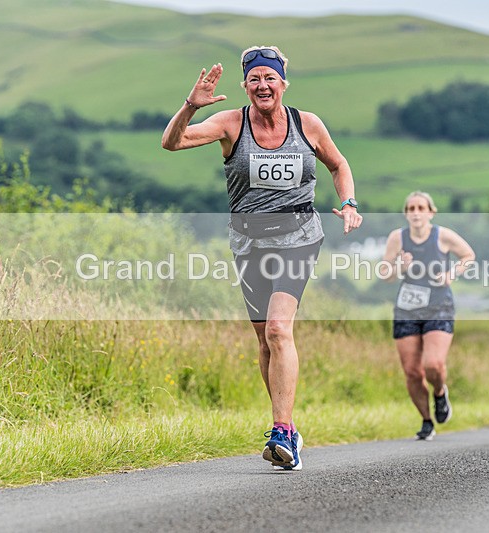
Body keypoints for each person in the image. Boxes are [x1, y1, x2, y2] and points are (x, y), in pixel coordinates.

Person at [161, 46, 363, 470]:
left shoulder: (307, 125)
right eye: (254, 79)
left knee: (277, 328)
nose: (263, 85)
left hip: (299, 236)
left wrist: (348, 202)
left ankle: (282, 429)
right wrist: (189, 107)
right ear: (245, 85)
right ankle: (287, 426)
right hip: (249, 242)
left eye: (270, 78)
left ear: (283, 83)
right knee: (263, 339)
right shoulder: (231, 123)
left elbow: (338, 163)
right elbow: (172, 142)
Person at [380, 191, 475, 440]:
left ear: (431, 212)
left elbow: (468, 255)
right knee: (412, 371)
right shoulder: (397, 239)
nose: (416, 212)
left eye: (421, 208)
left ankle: (440, 392)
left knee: (433, 364)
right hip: (406, 308)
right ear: (406, 214)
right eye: (411, 208)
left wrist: (451, 274)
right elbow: (386, 274)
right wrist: (399, 267)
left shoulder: (442, 236)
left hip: (438, 306)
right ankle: (426, 420)